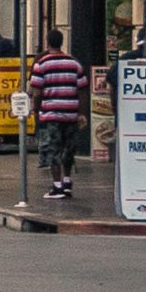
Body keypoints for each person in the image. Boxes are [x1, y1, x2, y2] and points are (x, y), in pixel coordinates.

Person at [30, 30, 87, 200]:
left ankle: (57, 186)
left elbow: (37, 91)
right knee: (68, 149)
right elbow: (82, 89)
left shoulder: (41, 64)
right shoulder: (74, 63)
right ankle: (67, 182)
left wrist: (36, 109)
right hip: (71, 112)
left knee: (54, 150)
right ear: (62, 42)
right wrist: (82, 113)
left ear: (47, 42)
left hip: (51, 114)